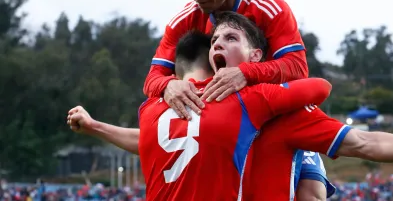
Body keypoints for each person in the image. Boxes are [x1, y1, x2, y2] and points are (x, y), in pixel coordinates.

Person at [69, 12, 393, 201]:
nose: (218, 46)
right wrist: (97, 126)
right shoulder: (192, 101)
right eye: (214, 42)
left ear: (257, 55)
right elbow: (153, 140)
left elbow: (362, 143)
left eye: (230, 38)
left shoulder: (280, 109)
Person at [144, 0, 325, 198]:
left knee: (310, 194)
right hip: (225, 128)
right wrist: (169, 85)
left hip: (277, 117)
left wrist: (245, 74)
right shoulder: (183, 20)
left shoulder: (271, 8)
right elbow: (152, 79)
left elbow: (298, 69)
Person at [69, 27, 332, 200]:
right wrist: (249, 74)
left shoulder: (150, 109)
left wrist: (95, 126)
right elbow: (320, 87)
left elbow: (146, 140)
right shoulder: (242, 100)